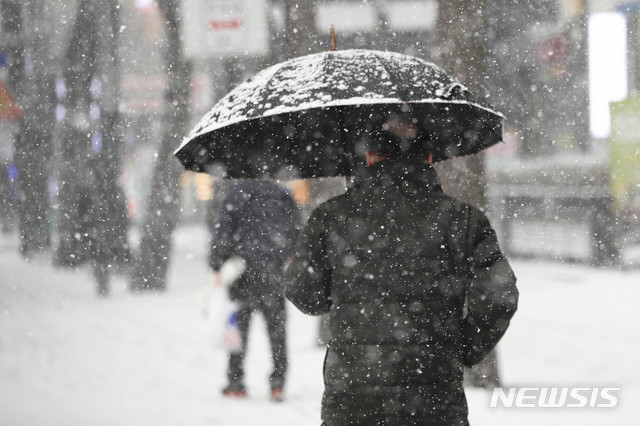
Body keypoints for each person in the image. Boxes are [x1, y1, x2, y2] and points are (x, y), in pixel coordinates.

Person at [285, 114, 519, 425]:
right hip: (435, 399)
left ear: (368, 154)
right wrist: (462, 349)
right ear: (430, 155)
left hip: (354, 398)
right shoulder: (462, 220)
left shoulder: (331, 218)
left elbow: (305, 295)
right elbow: (499, 295)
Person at [209, 180, 301, 401]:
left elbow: (223, 231)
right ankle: (278, 382)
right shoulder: (281, 194)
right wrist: (282, 255)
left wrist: (217, 262)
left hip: (242, 270)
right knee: (277, 329)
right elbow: (296, 231)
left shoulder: (235, 193)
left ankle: (235, 381)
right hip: (272, 270)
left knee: (238, 327)